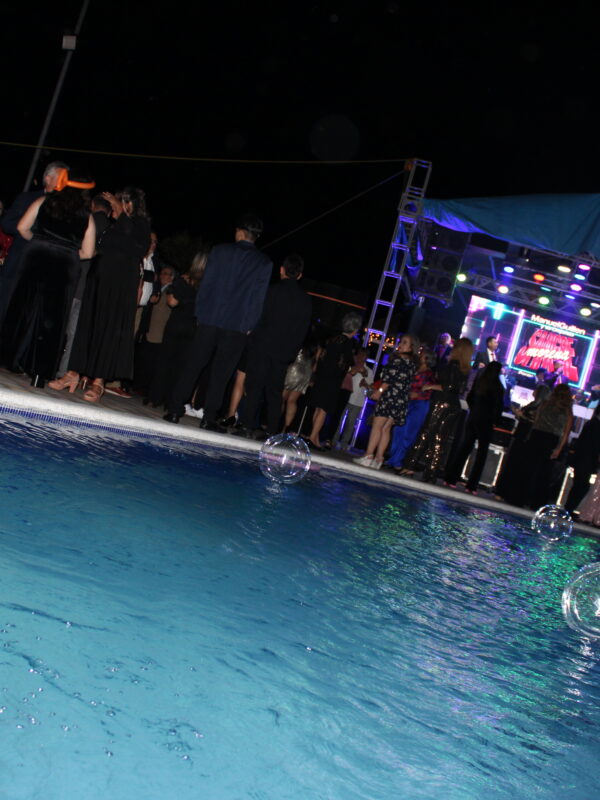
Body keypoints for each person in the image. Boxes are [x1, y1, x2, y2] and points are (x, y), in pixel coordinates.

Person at [163, 212, 272, 428]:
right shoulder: (264, 263)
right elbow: (257, 299)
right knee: (222, 374)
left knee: (194, 365)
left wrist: (200, 314)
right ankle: (209, 417)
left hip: (210, 319)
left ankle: (175, 409)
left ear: (240, 232)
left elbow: (207, 285)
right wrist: (248, 325)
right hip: (237, 326)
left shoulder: (220, 251)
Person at [49, 187, 151, 402]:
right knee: (87, 326)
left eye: (118, 202)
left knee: (108, 330)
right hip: (98, 281)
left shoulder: (140, 225)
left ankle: (98, 382)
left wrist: (119, 209)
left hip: (120, 286)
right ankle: (72, 373)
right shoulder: (113, 226)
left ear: (129, 204)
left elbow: (138, 248)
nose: (112, 206)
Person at [0, 168, 96, 385]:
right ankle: (39, 371)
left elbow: (22, 227)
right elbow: (88, 252)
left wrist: (39, 242)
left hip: (36, 256)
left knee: (23, 306)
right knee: (53, 317)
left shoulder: (44, 201)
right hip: (65, 264)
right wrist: (68, 252)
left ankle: (9, 358)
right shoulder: (86, 216)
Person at [236, 253, 311, 438]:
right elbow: (302, 331)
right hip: (283, 352)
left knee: (254, 387)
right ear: (300, 275)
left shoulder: (271, 291)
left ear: (282, 270)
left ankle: (246, 425)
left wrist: (252, 340)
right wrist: (291, 352)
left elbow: (259, 318)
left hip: (262, 346)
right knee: (275, 392)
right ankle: (271, 430)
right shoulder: (305, 300)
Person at [0, 161, 69, 326]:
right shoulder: (28, 199)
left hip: (44, 272)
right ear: (48, 178)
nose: (65, 182)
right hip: (17, 266)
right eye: (61, 178)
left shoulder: (66, 208)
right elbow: (7, 224)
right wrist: (30, 229)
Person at [400, 337, 474, 482]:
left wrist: (430, 386)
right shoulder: (464, 370)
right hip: (453, 405)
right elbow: (458, 388)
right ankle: (430, 473)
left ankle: (410, 466)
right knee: (440, 439)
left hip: (442, 402)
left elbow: (448, 386)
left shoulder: (453, 365)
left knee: (426, 433)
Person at [354, 334, 419, 469]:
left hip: (390, 397)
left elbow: (389, 379)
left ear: (411, 348)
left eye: (405, 343)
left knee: (377, 425)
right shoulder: (412, 364)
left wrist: (379, 391)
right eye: (401, 342)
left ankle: (368, 455)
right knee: (386, 429)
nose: (400, 344)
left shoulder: (397, 360)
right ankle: (379, 458)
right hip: (400, 400)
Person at [444, 360, 504, 494]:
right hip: (486, 421)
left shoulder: (480, 382)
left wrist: (475, 410)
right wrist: (495, 421)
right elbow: (498, 407)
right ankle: (471, 485)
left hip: (473, 418)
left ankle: (451, 478)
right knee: (481, 454)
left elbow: (470, 398)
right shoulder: (498, 387)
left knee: (464, 448)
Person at [307, 312, 361, 449]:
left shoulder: (332, 339)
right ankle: (313, 437)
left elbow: (322, 357)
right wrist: (351, 369)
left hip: (322, 376)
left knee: (318, 407)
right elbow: (346, 364)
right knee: (323, 409)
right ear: (354, 329)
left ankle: (314, 437)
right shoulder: (347, 343)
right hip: (333, 380)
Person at [494, 383, 550, 505]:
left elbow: (534, 421)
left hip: (526, 437)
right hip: (522, 435)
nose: (534, 391)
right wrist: (520, 415)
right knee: (513, 463)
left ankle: (507, 492)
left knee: (516, 464)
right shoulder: (534, 404)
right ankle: (505, 492)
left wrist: (522, 416)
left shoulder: (540, 407)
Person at [522, 384, 574, 509]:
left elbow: (536, 421)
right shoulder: (567, 411)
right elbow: (566, 433)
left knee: (529, 468)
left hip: (537, 436)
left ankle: (522, 497)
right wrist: (559, 449)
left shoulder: (545, 404)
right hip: (551, 440)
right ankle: (536, 502)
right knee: (544, 473)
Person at [386, 346, 435, 470]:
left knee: (409, 433)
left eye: (422, 354)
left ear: (427, 358)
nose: (420, 355)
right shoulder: (414, 368)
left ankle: (398, 461)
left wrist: (417, 394)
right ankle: (393, 458)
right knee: (398, 429)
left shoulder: (429, 374)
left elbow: (428, 391)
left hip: (420, 404)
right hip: (407, 401)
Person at [332, 348, 373, 450]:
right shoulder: (351, 365)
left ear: (366, 357)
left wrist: (365, 384)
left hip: (358, 401)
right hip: (345, 397)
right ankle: (333, 440)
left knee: (350, 424)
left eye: (364, 355)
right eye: (360, 354)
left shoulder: (369, 371)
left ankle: (344, 444)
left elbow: (371, 388)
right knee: (339, 420)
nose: (361, 357)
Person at [564, 406, 600, 514]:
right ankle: (569, 508)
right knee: (582, 485)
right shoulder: (595, 425)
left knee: (580, 485)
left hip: (583, 459)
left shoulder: (592, 423)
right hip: (585, 460)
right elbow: (593, 445)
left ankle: (569, 508)